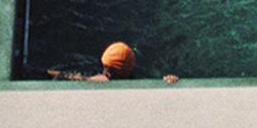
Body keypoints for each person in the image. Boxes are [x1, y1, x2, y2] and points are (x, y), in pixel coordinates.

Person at [48, 41, 179, 83]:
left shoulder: (100, 80)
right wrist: (169, 81)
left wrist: (49, 73)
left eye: (107, 68)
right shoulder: (140, 82)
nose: (105, 71)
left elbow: (74, 77)